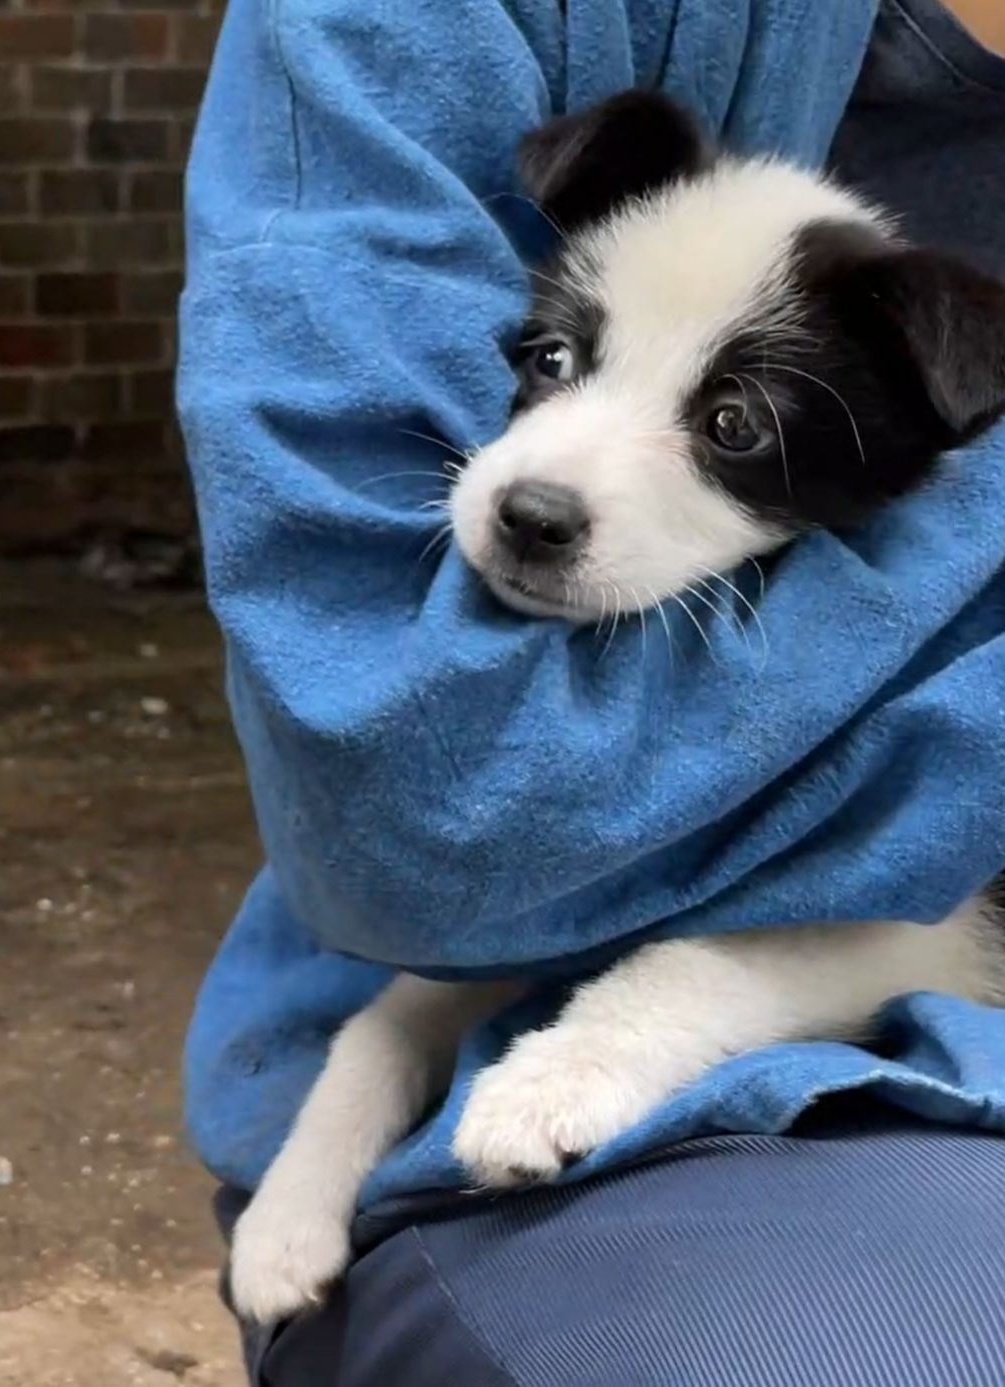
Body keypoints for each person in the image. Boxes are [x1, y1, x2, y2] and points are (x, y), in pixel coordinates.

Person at [180, 0, 1005, 1381]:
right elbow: (445, 876)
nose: (556, 478)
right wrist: (351, 1110)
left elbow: (902, 933)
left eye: (729, 426)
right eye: (558, 359)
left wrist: (620, 1038)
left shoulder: (915, 350)